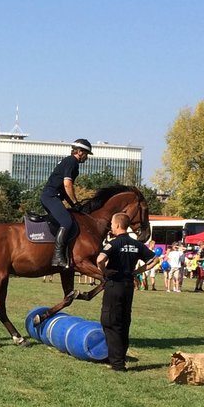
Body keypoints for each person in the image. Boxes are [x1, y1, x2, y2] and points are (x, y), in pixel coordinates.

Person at [96, 213, 160, 372]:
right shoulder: (136, 244)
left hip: (114, 285)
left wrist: (105, 271)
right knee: (124, 321)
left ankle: (117, 363)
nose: (111, 226)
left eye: (111, 223)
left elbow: (99, 259)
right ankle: (120, 356)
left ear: (117, 225)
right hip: (128, 286)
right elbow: (155, 260)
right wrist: (138, 271)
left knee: (110, 321)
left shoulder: (113, 243)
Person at [40, 138, 92, 267]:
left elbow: (64, 189)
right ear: (79, 152)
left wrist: (75, 204)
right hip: (51, 197)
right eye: (86, 154)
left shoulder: (71, 163)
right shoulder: (72, 161)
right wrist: (75, 202)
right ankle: (57, 257)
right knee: (66, 222)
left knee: (66, 220)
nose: (86, 157)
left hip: (52, 197)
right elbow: (67, 185)